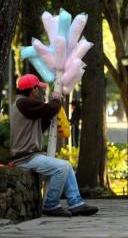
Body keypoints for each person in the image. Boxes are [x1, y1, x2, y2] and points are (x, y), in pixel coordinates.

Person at [9, 74, 98, 217]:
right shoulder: (24, 103)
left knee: (67, 165)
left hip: (29, 156)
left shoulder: (22, 103)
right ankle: (50, 205)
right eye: (39, 89)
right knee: (61, 168)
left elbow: (42, 122)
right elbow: (51, 108)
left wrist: (50, 114)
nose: (40, 92)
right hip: (25, 158)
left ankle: (76, 203)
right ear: (33, 89)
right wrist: (57, 98)